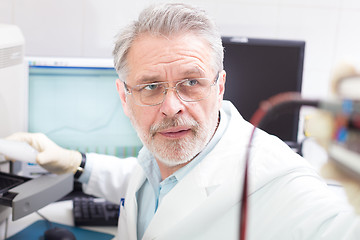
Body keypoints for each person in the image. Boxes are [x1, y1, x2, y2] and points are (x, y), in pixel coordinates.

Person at [6, 3, 360, 240]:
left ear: (219, 86)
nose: (171, 106)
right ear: (124, 97)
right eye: (150, 86)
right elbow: (157, 188)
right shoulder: (160, 157)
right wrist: (78, 163)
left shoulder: (277, 180)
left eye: (191, 82)